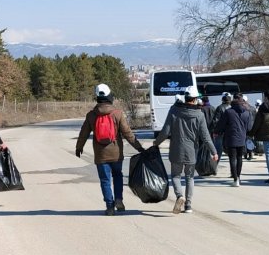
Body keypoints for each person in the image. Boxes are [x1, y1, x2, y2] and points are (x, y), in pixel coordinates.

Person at [76, 84, 145, 216]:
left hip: (101, 155)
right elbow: (127, 133)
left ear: (97, 97)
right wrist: (139, 147)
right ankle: (118, 199)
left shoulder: (91, 115)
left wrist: (79, 147)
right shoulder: (117, 114)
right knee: (118, 176)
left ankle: (109, 207)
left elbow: (83, 133)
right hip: (116, 153)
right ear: (109, 96)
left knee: (105, 180)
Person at [153, 86, 217, 214]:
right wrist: (213, 151)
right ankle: (188, 205)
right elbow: (205, 136)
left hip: (176, 150)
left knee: (176, 176)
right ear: (194, 99)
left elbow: (165, 131)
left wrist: (156, 143)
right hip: (191, 151)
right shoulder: (199, 115)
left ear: (185, 97)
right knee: (189, 177)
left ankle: (179, 196)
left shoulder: (174, 111)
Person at [214, 93, 252, 187]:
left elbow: (221, 124)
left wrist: (217, 132)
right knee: (239, 158)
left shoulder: (228, 112)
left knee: (232, 158)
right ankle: (238, 177)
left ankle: (235, 179)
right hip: (242, 138)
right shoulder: (247, 112)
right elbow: (249, 128)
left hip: (231, 138)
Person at [210, 92, 232, 160]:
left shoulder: (219, 108)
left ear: (222, 99)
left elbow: (215, 120)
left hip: (220, 131)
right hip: (230, 131)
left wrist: (214, 131)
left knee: (218, 148)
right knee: (231, 148)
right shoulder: (232, 107)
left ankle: (215, 164)